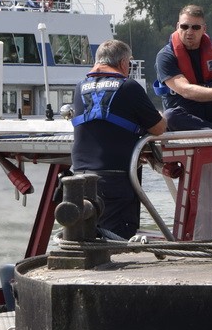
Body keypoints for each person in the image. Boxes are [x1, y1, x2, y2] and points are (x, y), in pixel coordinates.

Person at [71, 39, 167, 239]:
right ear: (124, 63)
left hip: (78, 178)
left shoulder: (80, 87)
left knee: (84, 237)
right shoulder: (128, 87)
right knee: (117, 242)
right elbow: (159, 128)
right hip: (115, 181)